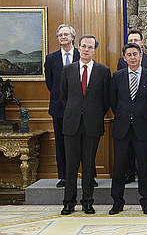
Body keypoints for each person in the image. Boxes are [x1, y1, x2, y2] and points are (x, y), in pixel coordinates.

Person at [60, 35, 110, 215]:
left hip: (92, 124)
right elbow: (63, 96)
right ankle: (68, 203)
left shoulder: (103, 71)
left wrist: (93, 114)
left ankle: (87, 202)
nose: (86, 49)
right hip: (71, 124)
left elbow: (106, 100)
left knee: (89, 165)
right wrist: (75, 111)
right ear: (78, 48)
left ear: (95, 50)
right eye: (83, 46)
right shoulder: (68, 70)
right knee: (71, 166)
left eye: (90, 47)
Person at [109, 43, 147, 215]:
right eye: (129, 55)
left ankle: (146, 202)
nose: (132, 57)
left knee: (145, 167)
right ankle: (117, 202)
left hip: (143, 128)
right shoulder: (117, 76)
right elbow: (113, 102)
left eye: (135, 54)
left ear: (140, 56)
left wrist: (141, 115)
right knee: (119, 168)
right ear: (124, 58)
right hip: (122, 129)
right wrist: (126, 116)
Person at [117, 29, 147, 185]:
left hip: (145, 114)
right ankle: (129, 173)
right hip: (125, 116)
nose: (134, 42)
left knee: (146, 148)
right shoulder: (122, 62)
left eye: (136, 40)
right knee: (127, 148)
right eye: (131, 40)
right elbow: (118, 92)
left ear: (142, 43)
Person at [44, 24, 80, 188]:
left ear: (73, 37)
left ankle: (88, 175)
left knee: (83, 142)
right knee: (61, 142)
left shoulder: (82, 55)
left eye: (66, 34)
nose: (63, 37)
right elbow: (50, 84)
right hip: (58, 108)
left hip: (80, 108)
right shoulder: (50, 59)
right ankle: (64, 176)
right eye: (60, 35)